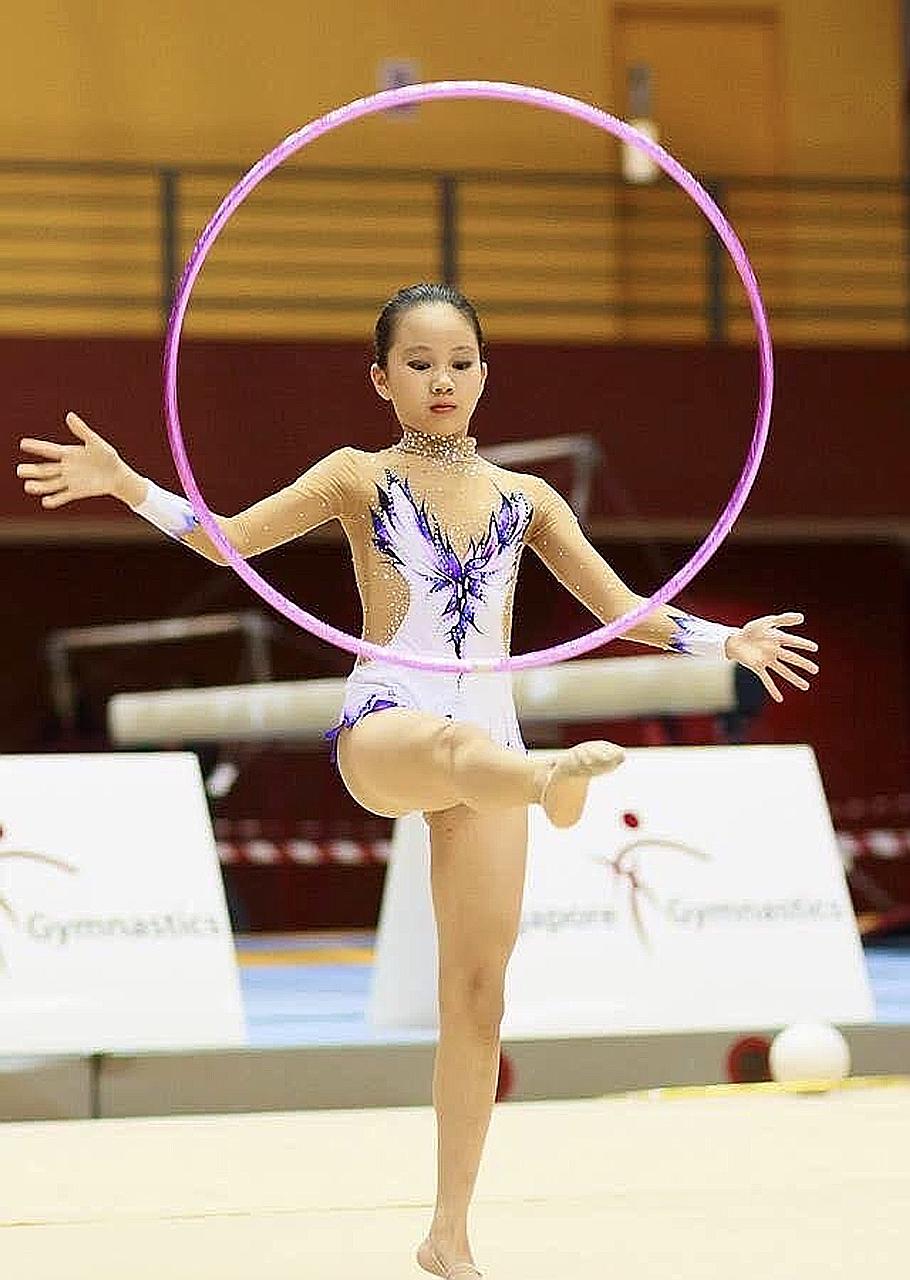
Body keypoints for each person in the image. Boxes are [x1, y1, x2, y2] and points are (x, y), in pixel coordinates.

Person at [17, 282, 819, 1279]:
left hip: (491, 733)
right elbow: (230, 540)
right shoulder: (356, 474)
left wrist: (725, 639)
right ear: (381, 378)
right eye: (420, 363)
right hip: (390, 720)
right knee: (449, 750)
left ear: (485, 372)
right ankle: (540, 778)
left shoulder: (528, 499)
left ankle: (449, 1232)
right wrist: (128, 482)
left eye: (460, 362)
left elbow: (622, 609)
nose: (443, 380)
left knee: (478, 997)